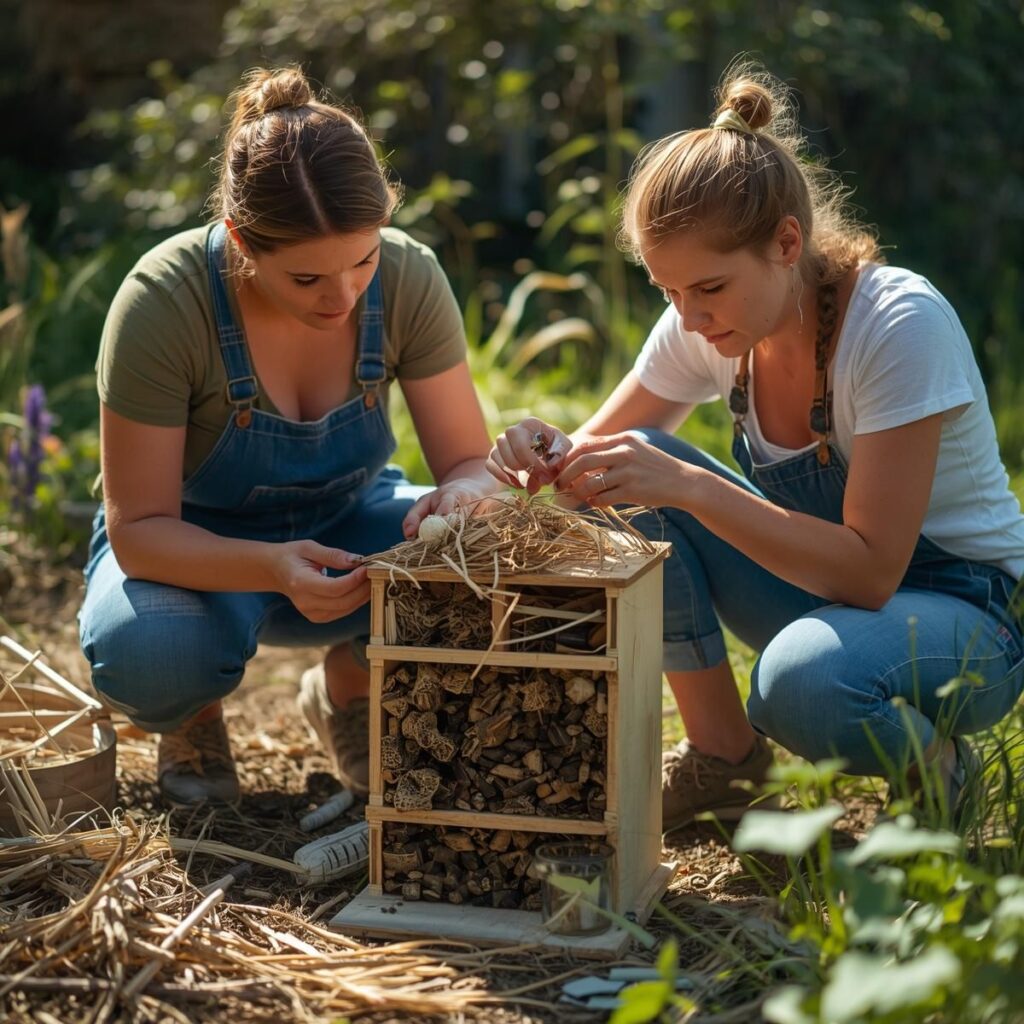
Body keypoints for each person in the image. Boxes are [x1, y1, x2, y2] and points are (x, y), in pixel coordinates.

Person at [488, 63, 1024, 831]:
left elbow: (872, 572)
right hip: (828, 597)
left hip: (967, 615)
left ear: (786, 242)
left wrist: (692, 487)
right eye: (668, 292)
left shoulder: (898, 326)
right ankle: (727, 761)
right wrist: (537, 452)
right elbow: (592, 462)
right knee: (621, 479)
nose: (689, 318)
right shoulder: (708, 321)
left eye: (708, 289)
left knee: (802, 684)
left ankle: (939, 772)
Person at [79, 67, 497, 805]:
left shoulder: (410, 276)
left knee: (494, 563)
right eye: (307, 279)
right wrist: (271, 566)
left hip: (350, 529)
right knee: (151, 652)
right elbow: (140, 531)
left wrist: (464, 496)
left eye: (363, 260)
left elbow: (467, 458)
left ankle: (350, 686)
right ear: (242, 239)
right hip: (192, 552)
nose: (344, 296)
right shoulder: (163, 300)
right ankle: (193, 716)